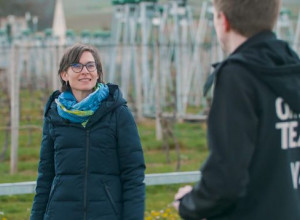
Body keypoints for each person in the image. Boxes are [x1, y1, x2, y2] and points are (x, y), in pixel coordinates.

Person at [174, 0, 300, 219]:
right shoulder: (291, 68)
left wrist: (189, 203)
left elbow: (226, 179)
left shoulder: (238, 76)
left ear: (223, 21)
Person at [30, 43, 146, 220]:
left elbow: (133, 175)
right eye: (76, 66)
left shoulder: (118, 113)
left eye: (90, 65)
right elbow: (45, 175)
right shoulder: (55, 115)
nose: (85, 71)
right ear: (64, 74)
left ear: (98, 73)